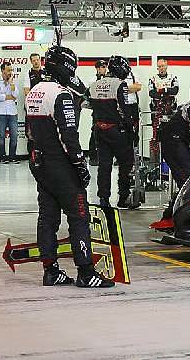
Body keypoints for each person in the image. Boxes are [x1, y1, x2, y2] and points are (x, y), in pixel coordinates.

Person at [26, 45, 113, 288]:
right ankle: (86, 272)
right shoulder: (61, 95)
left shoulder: (34, 91)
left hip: (40, 163)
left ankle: (50, 270)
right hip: (60, 164)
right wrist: (80, 164)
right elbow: (69, 136)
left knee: (47, 218)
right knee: (79, 215)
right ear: (66, 66)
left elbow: (30, 132)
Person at [88, 55, 136, 209]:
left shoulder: (95, 84)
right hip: (117, 130)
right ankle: (123, 197)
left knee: (104, 165)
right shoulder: (120, 85)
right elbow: (124, 109)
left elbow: (86, 104)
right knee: (125, 164)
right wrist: (131, 130)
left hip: (99, 130)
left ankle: (103, 199)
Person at [148, 59, 179, 164]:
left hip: (170, 110)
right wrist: (166, 92)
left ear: (167, 66)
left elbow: (175, 91)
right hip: (156, 110)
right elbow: (152, 93)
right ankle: (156, 161)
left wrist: (162, 90)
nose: (161, 68)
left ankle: (171, 158)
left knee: (171, 133)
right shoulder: (153, 78)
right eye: (159, 66)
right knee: (156, 134)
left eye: (163, 66)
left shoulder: (173, 77)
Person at [0, 61, 19, 163]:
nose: (10, 72)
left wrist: (11, 83)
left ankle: (12, 156)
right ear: (3, 70)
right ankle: (2, 157)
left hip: (12, 112)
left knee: (14, 136)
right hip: (1, 113)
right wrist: (9, 97)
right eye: (8, 70)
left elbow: (15, 95)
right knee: (1, 136)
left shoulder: (12, 81)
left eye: (11, 70)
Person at [88, 59, 107, 166]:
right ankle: (93, 156)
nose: (104, 69)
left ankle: (104, 156)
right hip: (97, 110)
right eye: (102, 67)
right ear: (97, 68)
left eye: (105, 67)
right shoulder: (92, 80)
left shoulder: (109, 79)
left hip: (107, 110)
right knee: (95, 132)